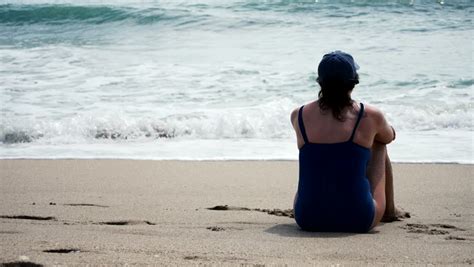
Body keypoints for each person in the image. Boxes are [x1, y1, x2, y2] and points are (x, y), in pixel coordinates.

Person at [290, 51, 409, 232]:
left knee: (317, 157)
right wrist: (383, 129)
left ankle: (320, 204)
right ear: (353, 82)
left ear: (320, 82)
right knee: (379, 143)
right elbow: (389, 137)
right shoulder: (370, 115)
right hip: (359, 218)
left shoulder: (299, 115)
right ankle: (389, 211)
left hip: (307, 218)